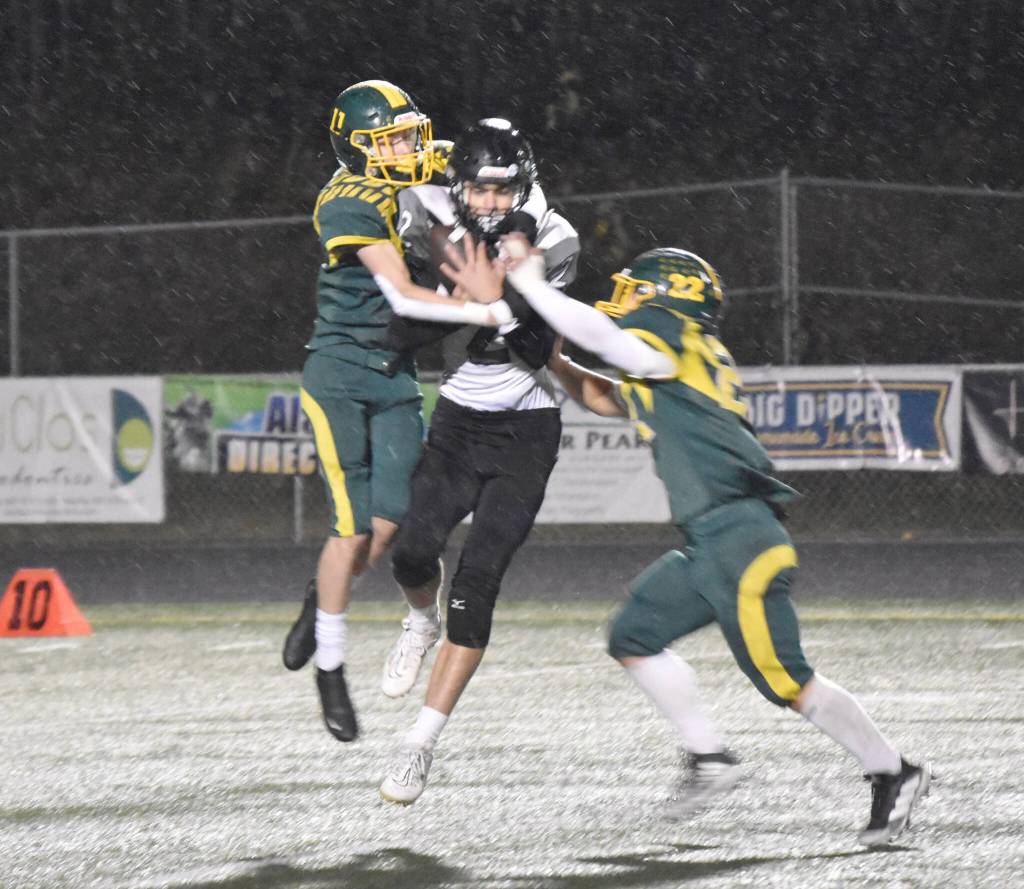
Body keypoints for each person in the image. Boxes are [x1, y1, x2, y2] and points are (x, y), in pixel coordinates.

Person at [445, 241, 931, 847]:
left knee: (786, 680)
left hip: (739, 537)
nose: (628, 299)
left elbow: (613, 341)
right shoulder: (676, 359)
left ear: (669, 300)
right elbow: (603, 394)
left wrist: (535, 285)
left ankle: (893, 771)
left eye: (639, 290)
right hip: (710, 542)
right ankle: (710, 757)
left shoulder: (669, 339)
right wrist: (550, 356)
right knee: (633, 638)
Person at [283, 80, 513, 745]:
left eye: (411, 134)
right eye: (391, 140)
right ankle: (331, 666)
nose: (409, 149)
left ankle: (315, 597)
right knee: (352, 528)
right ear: (356, 149)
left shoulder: (413, 165)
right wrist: (485, 309)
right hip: (340, 370)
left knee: (388, 526)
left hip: (395, 372)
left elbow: (492, 169)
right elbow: (405, 292)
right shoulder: (347, 198)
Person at [370, 119, 580, 805]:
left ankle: (418, 745)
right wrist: (473, 298)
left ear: (522, 188)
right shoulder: (430, 214)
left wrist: (479, 301)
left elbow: (532, 344)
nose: (488, 203)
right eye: (477, 190)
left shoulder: (555, 236)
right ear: (457, 186)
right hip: (460, 418)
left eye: (501, 190)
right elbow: (401, 329)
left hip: (527, 427)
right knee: (411, 551)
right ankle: (417, 621)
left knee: (476, 580)